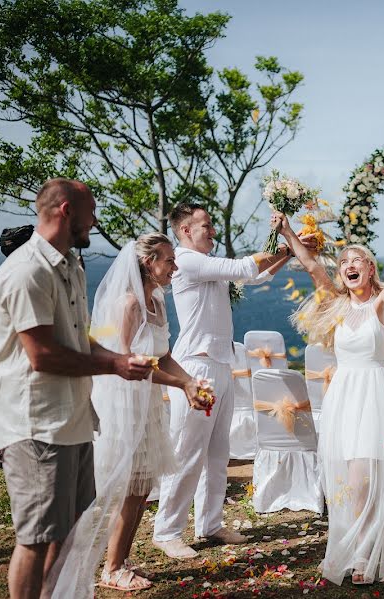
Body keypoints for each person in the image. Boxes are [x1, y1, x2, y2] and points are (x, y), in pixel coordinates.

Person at [0, 178, 155, 599]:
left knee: (72, 526)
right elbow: (42, 354)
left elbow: (79, 341)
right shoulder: (27, 271)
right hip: (36, 421)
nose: (95, 220)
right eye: (90, 211)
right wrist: (113, 363)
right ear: (66, 211)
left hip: (75, 418)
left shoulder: (71, 266)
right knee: (37, 536)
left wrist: (115, 358)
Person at [49, 233, 215, 594]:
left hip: (149, 402)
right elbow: (128, 364)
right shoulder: (128, 305)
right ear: (148, 263)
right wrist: (180, 386)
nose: (175, 266)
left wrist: (191, 383)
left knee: (140, 489)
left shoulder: (156, 299)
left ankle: (119, 560)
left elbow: (164, 354)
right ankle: (108, 568)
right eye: (169, 261)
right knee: (126, 487)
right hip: (124, 402)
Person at [152, 203, 298, 559]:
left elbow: (257, 276)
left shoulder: (206, 266)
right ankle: (167, 530)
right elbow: (245, 268)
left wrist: (291, 250)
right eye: (206, 225)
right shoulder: (186, 260)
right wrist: (283, 241)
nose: (213, 230)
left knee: (219, 452)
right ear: (185, 230)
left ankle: (210, 523)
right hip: (196, 366)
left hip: (221, 364)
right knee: (187, 451)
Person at [278, 211, 384, 585]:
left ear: (369, 269)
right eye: (343, 263)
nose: (348, 266)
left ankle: (365, 551)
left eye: (356, 261)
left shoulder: (383, 304)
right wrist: (287, 230)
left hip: (373, 391)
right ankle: (355, 548)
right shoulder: (337, 305)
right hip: (343, 394)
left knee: (365, 477)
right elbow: (310, 265)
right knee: (346, 476)